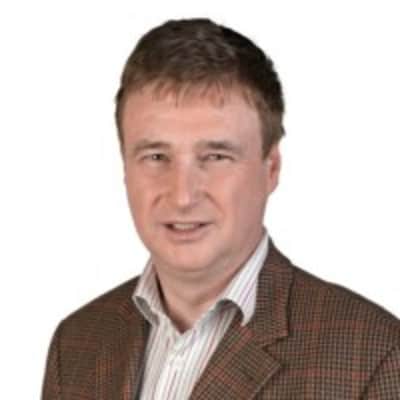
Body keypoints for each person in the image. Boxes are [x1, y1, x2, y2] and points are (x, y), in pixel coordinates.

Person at [42, 18, 400, 399]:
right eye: (156, 156)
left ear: (271, 169)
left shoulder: (374, 357)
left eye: (215, 156)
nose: (182, 196)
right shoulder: (76, 343)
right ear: (125, 168)